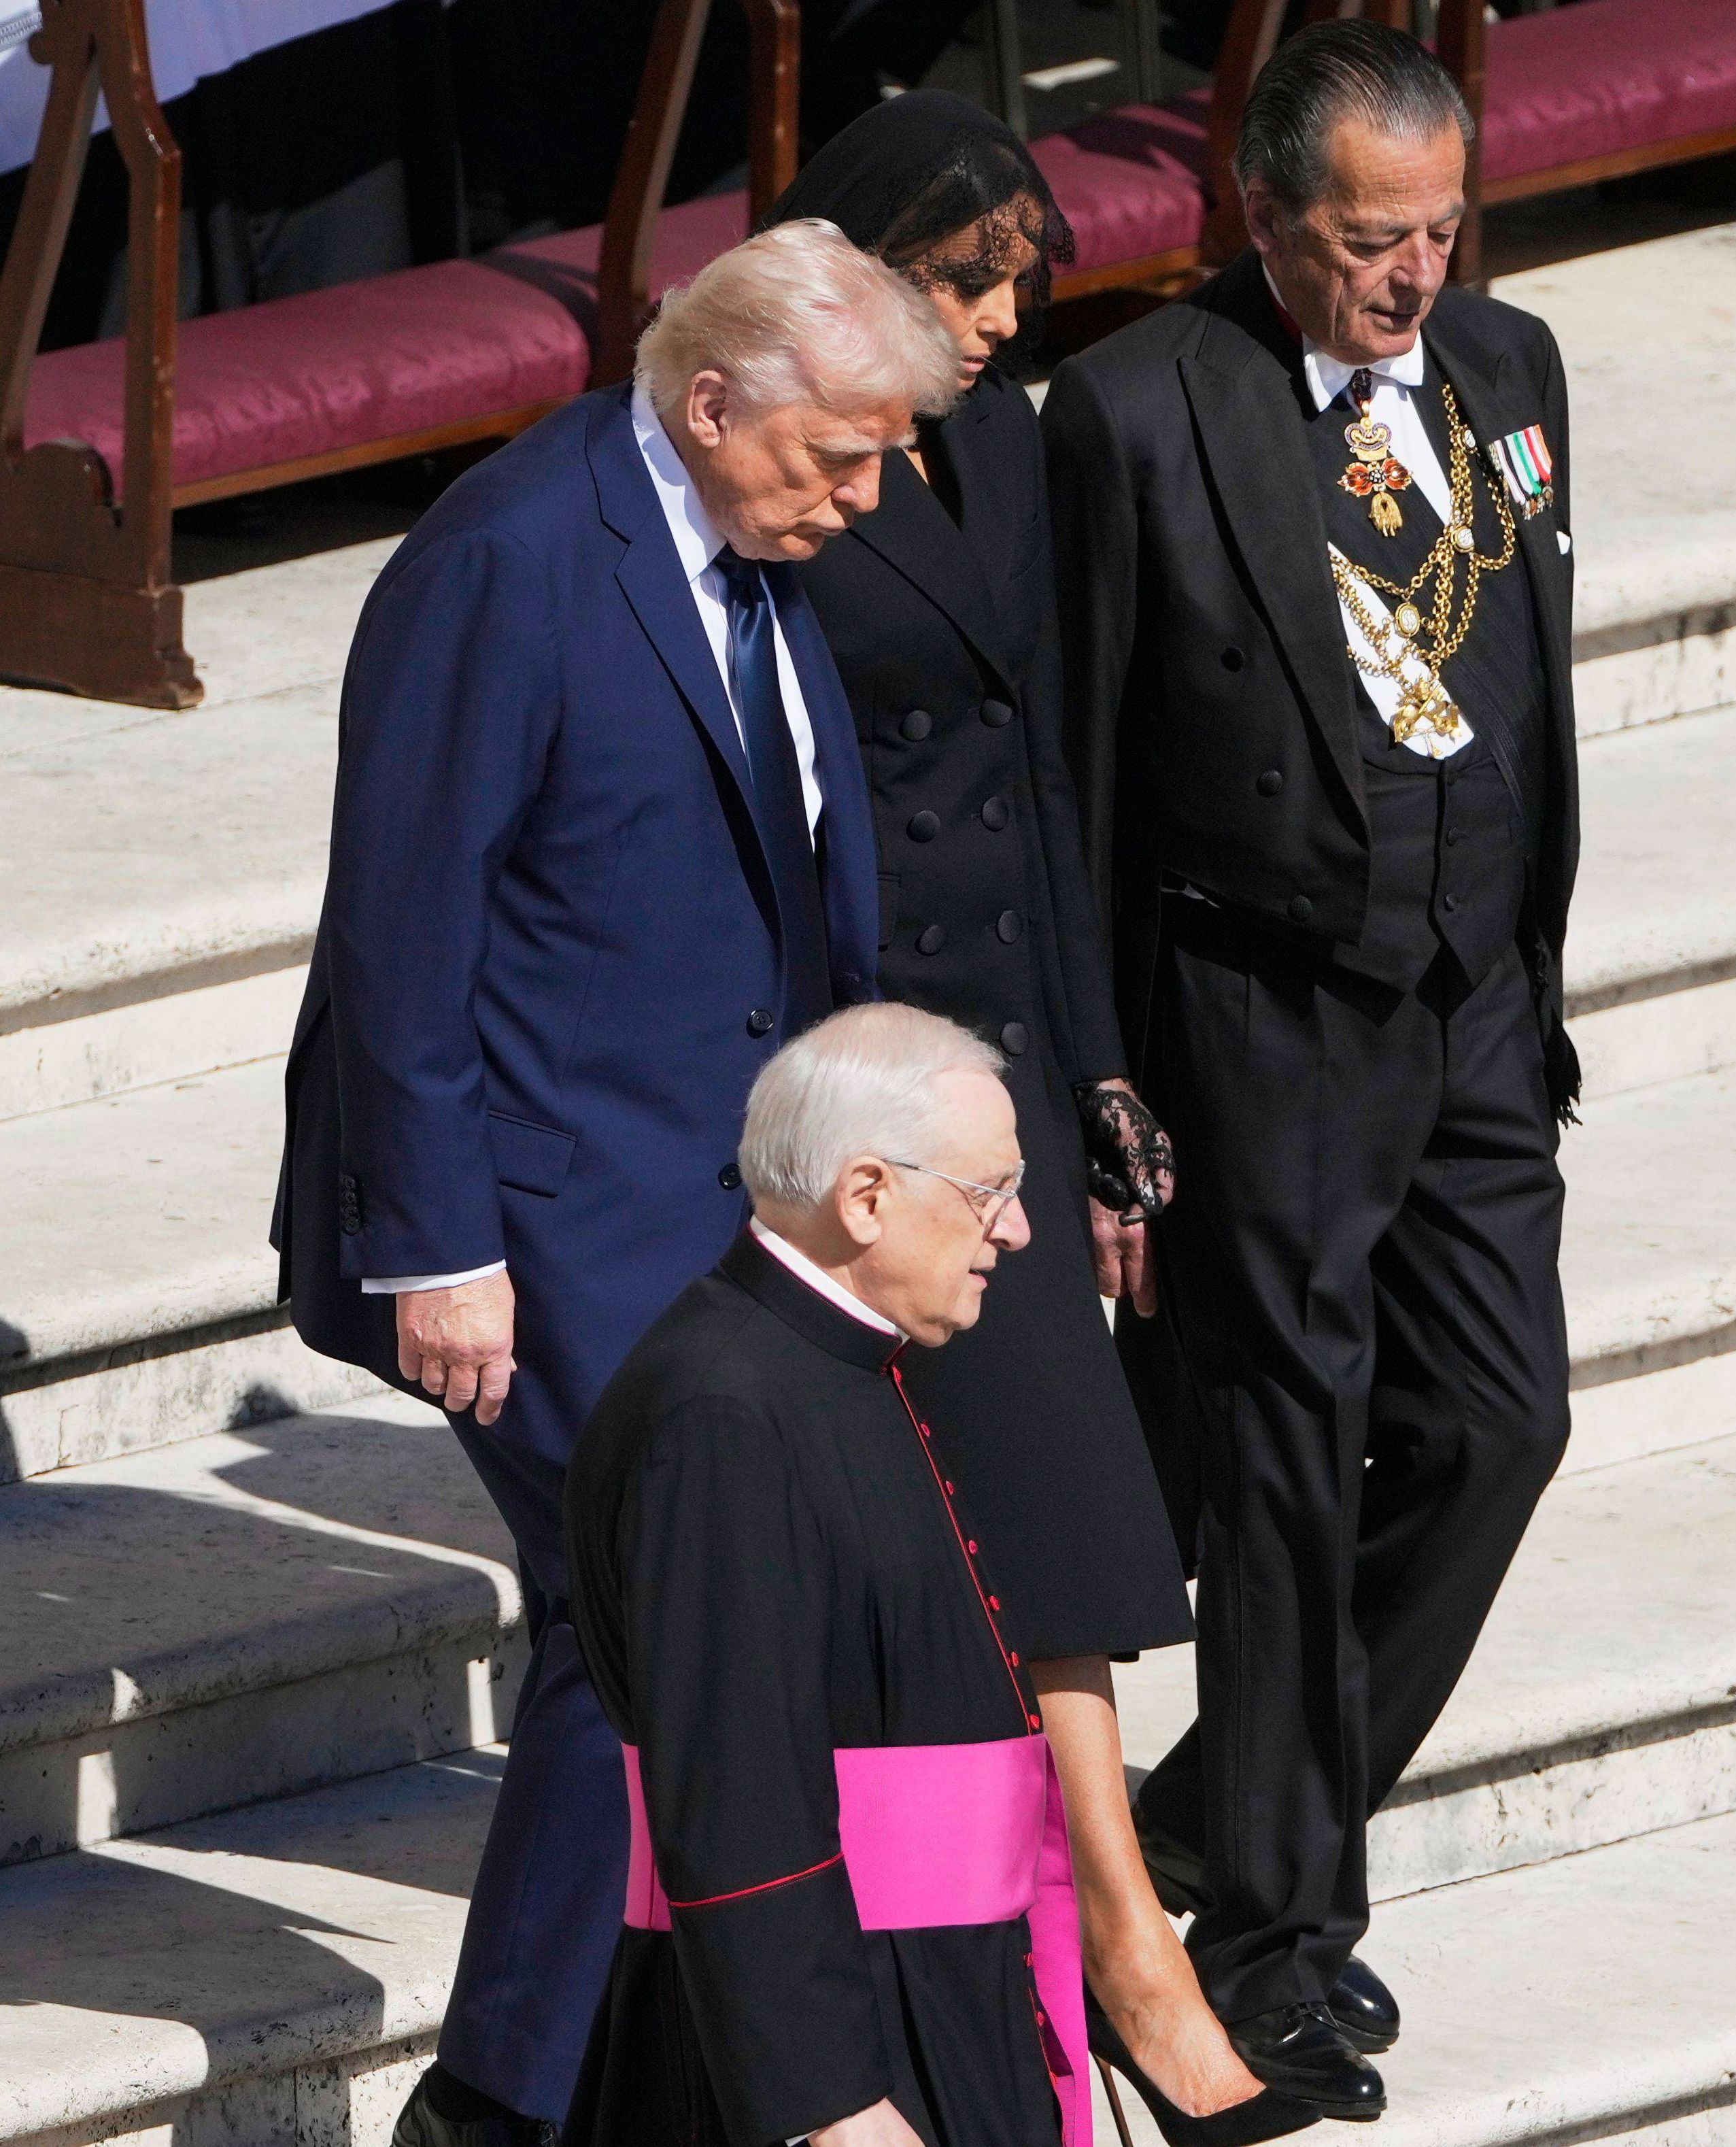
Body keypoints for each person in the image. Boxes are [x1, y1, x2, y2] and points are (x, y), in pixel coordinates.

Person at [270, 222, 963, 2145]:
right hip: (548, 1210)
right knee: (641, 1614)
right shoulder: (509, 560)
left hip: (714, 1196)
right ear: (711, 398)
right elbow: (404, 925)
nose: (865, 494)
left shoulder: (753, 545)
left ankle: (594, 2078)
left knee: (660, 1629)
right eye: (837, 454)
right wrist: (438, 1240)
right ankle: (501, 2103)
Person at [1042, 20, 1578, 2124]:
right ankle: (1274, 1941)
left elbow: (1518, 665)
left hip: (1467, 1008)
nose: (1411, 277)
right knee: (1279, 1470)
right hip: (1257, 1017)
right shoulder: (1134, 409)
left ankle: (1209, 1818)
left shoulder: (1513, 368)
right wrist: (1096, 1078)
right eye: (1369, 240)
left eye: (1440, 230)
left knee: (1499, 1420)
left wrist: (1527, 970)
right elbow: (1072, 763)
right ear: (1262, 218)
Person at [764, 97, 1285, 2144]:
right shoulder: (792, 471)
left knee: (1063, 1522)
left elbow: (1050, 777)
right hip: (864, 1081)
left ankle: (1109, 1934)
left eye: (1013, 284)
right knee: (1004, 1535)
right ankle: (1121, 1948)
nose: (996, 321)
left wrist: (1090, 1087)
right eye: (962, 279)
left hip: (1002, 1064)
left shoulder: (1004, 442)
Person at [562, 1003, 1318, 2147]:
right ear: (865, 1195)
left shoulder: (839, 1361)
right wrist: (829, 2102)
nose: (1015, 1232)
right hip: (849, 2045)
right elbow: (735, 1788)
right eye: (988, 1192)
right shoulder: (720, 1411)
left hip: (941, 1985)